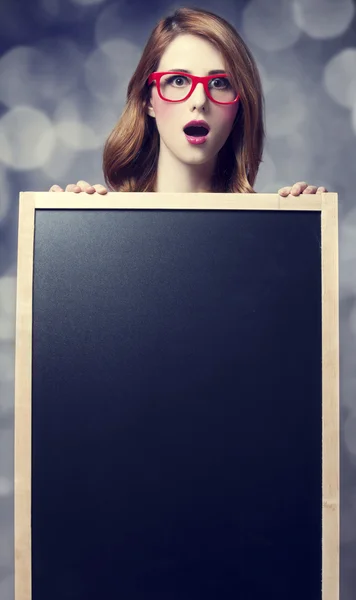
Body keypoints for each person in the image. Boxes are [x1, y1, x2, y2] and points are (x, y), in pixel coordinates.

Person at [49, 6, 327, 197]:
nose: (199, 101)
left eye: (220, 83)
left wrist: (303, 228)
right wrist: (66, 229)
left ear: (240, 104)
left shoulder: (269, 231)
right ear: (148, 99)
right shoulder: (103, 225)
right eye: (179, 81)